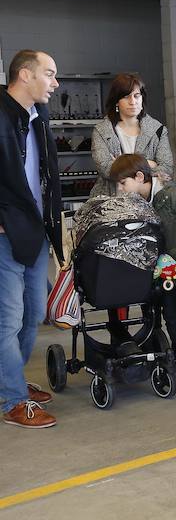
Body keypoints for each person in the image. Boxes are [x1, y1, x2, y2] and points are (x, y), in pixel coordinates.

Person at [0, 50, 63, 429]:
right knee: (8, 320)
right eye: (49, 74)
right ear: (25, 74)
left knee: (34, 314)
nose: (55, 83)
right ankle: (13, 400)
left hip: (37, 230)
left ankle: (11, 379)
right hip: (7, 232)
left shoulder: (38, 117)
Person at [110, 154, 176, 374]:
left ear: (139, 176)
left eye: (122, 183)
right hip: (161, 272)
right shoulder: (138, 204)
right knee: (171, 316)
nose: (120, 189)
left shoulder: (171, 196)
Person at [89, 73, 173, 198]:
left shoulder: (158, 130)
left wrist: (120, 162)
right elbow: (106, 169)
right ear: (116, 101)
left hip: (149, 200)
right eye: (127, 97)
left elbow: (166, 168)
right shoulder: (101, 130)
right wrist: (149, 163)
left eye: (136, 96)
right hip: (110, 198)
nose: (133, 101)